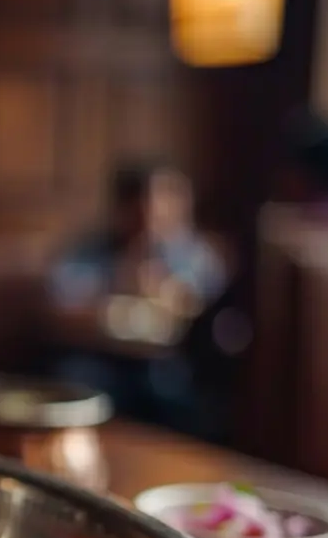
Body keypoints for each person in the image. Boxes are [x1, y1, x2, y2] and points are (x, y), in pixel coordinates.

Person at [45, 160, 227, 430]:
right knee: (76, 380)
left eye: (169, 200)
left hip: (168, 363)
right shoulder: (88, 251)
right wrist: (117, 284)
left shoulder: (194, 253)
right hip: (102, 357)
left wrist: (169, 295)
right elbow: (60, 311)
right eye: (144, 205)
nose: (154, 215)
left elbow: (208, 308)